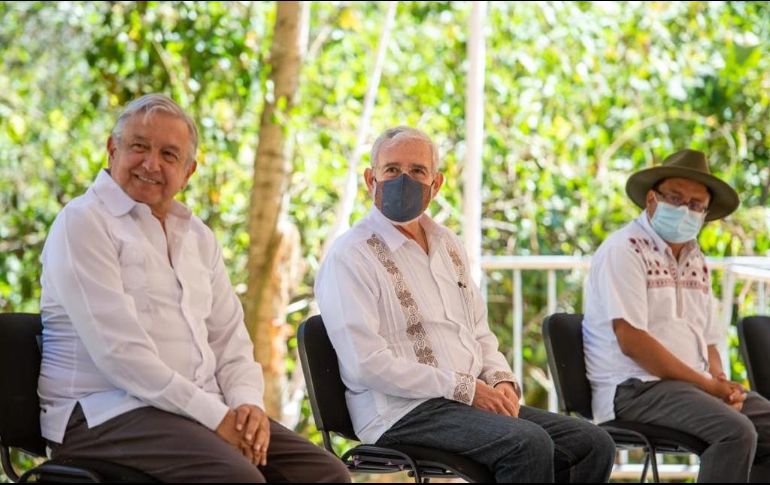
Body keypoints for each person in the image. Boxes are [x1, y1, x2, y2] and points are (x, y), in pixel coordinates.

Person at [38, 93, 350, 483]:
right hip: (103, 411)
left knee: (323, 473)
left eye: (169, 155)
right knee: (238, 479)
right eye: (139, 147)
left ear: (188, 172)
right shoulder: (83, 223)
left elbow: (230, 341)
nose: (151, 164)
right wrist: (217, 417)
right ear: (112, 150)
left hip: (194, 412)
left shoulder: (198, 237)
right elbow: (120, 354)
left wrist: (246, 404)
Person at [315, 126, 616, 483]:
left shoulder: (448, 245)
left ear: (436, 184)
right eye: (392, 170)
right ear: (371, 179)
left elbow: (478, 332)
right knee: (526, 443)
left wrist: (500, 380)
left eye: (417, 171)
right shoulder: (350, 256)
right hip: (399, 411)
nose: (404, 180)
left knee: (592, 442)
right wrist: (465, 388)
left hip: (466, 403)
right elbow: (367, 365)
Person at [583, 149, 770, 482]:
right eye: (676, 197)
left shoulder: (697, 259)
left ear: (705, 213)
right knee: (735, 432)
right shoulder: (624, 249)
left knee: (763, 425)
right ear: (652, 200)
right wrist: (709, 386)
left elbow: (711, 339)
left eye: (696, 205)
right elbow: (633, 341)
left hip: (691, 388)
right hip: (635, 388)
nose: (686, 210)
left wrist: (721, 384)